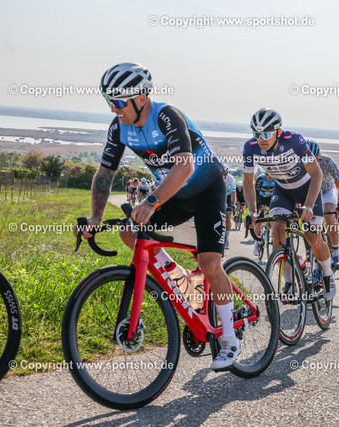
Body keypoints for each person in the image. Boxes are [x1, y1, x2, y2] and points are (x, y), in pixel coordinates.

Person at [76, 62, 240, 370]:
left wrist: (151, 201)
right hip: (174, 195)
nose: (113, 109)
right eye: (109, 101)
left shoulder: (167, 116)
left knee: (209, 263)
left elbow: (185, 167)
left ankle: (230, 338)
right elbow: (105, 173)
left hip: (207, 191)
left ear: (141, 98)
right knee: (129, 231)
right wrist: (95, 217)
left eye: (119, 102)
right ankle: (181, 278)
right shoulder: (119, 127)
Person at [243, 108, 336, 301]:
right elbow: (248, 182)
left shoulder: (294, 140)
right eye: (257, 134)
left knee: (312, 236)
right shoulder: (250, 148)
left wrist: (309, 205)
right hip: (283, 190)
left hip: (307, 188)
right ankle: (290, 282)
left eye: (266, 134)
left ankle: (327, 273)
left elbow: (317, 174)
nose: (261, 139)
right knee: (276, 230)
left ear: (278, 131)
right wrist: (252, 212)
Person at [306, 139, 339, 270]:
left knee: (330, 214)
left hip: (327, 190)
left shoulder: (327, 161)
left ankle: (336, 253)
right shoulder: (300, 163)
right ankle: (313, 260)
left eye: (315, 159)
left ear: (319, 156)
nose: (313, 163)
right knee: (310, 223)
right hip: (312, 193)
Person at [252, 172, 275, 256]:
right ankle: (256, 244)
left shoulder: (276, 179)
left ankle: (272, 234)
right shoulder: (260, 179)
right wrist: (260, 204)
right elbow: (256, 193)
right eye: (269, 176)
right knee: (260, 221)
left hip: (270, 199)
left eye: (272, 176)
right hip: (260, 198)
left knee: (274, 218)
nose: (270, 177)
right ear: (265, 174)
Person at [223, 166, 236, 250]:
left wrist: (233, 203)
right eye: (223, 174)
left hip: (228, 197)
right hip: (220, 195)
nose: (224, 176)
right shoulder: (218, 177)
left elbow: (233, 192)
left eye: (226, 174)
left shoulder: (231, 179)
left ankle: (227, 239)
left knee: (228, 217)